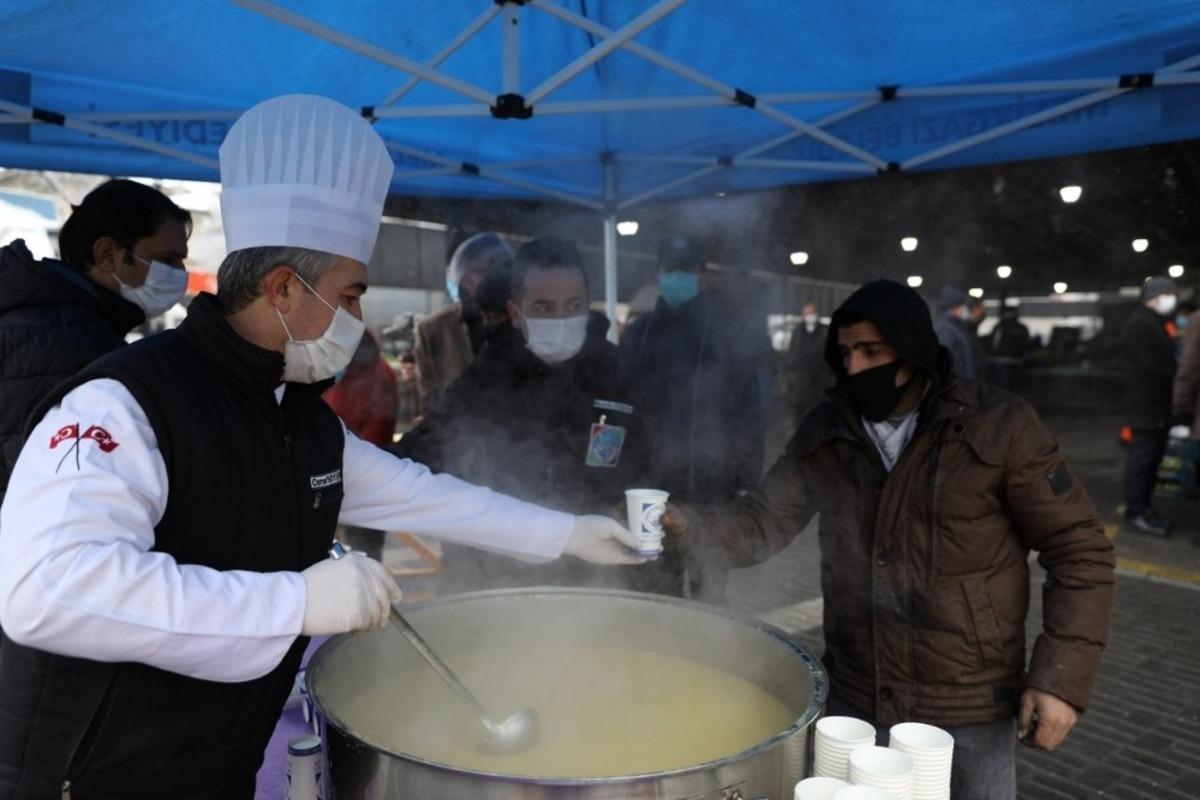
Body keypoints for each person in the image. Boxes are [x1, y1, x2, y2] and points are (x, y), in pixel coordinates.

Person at [0, 95, 641, 800]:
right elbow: (46, 590)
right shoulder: (126, 401)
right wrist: (295, 602)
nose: (358, 318)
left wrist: (567, 533)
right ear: (283, 289)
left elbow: (421, 494)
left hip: (216, 766)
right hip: (88, 778)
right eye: (351, 294)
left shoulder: (296, 416)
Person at [668, 280, 1115, 800]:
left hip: (966, 707)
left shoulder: (999, 426)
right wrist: (684, 526)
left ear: (912, 348)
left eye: (872, 351)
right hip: (855, 702)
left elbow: (1079, 548)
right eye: (845, 353)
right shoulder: (827, 432)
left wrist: (1059, 680)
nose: (855, 366)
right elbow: (758, 526)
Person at [399, 237, 662, 591]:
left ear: (588, 305)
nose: (561, 319)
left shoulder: (618, 373)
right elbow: (426, 448)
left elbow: (651, 463)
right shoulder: (486, 378)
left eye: (573, 305)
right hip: (502, 575)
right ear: (515, 313)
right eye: (543, 307)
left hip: (600, 574)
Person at [0, 179, 190, 503]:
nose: (180, 273)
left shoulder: (52, 318)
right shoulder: (69, 342)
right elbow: (60, 484)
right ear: (107, 255)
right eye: (167, 260)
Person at [619, 235, 767, 601]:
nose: (675, 277)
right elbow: (622, 408)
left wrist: (747, 479)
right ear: (658, 273)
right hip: (652, 484)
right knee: (656, 589)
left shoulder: (729, 333)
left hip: (714, 486)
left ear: (702, 274)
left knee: (710, 588)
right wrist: (620, 476)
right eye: (669, 269)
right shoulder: (640, 333)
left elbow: (749, 411)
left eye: (684, 269)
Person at [412, 232, 512, 412]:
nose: (500, 274)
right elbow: (430, 402)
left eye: (505, 265)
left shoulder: (522, 320)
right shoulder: (433, 330)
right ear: (464, 279)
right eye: (486, 268)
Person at [1120, 276, 1179, 537]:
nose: (1172, 300)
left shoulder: (1154, 321)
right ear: (1155, 296)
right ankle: (1135, 512)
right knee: (1142, 459)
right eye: (1169, 294)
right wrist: (1176, 372)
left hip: (1154, 404)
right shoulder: (1141, 323)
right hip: (1145, 405)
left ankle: (1144, 507)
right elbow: (1148, 366)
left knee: (1151, 458)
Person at [787, 302, 829, 426]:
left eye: (812, 312)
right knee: (800, 406)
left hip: (820, 377)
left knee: (819, 405)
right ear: (803, 315)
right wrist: (792, 374)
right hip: (801, 377)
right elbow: (792, 353)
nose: (810, 316)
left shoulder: (825, 330)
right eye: (807, 313)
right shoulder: (797, 331)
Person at [933, 286, 983, 380]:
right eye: (963, 306)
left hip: (962, 382)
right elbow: (942, 362)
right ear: (954, 307)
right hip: (956, 383)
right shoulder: (944, 328)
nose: (965, 309)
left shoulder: (956, 326)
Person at [988, 305, 1031, 391]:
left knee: (999, 388)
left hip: (999, 361)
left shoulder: (999, 326)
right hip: (1016, 361)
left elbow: (993, 344)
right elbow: (1027, 345)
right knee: (1013, 388)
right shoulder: (1022, 328)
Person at [395, 351, 421, 431]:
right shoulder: (397, 386)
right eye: (403, 368)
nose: (406, 371)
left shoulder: (422, 387)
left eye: (410, 368)